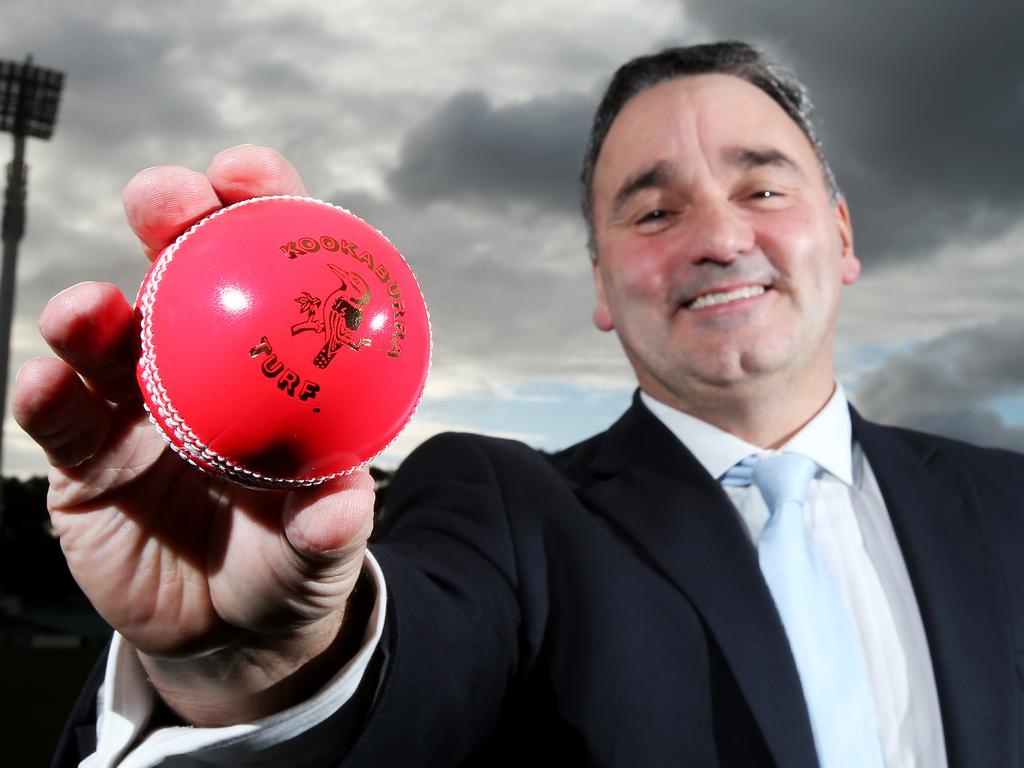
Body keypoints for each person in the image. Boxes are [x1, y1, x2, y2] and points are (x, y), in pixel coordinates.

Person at [23, 41, 1024, 767]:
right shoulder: (501, 509)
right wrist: (257, 673)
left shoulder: (1007, 504)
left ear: (841, 236)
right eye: (653, 209)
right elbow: (417, 686)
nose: (717, 238)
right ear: (599, 284)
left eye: (763, 190)